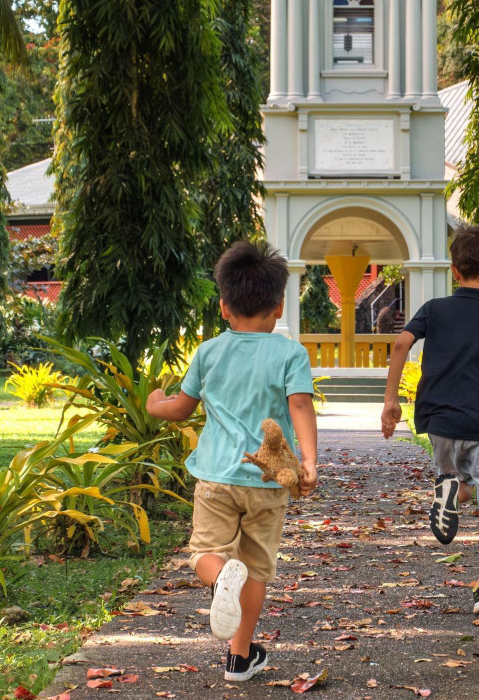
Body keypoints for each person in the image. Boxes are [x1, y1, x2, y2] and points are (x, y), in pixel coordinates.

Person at [147, 241, 318, 682]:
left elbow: (181, 408)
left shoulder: (208, 352)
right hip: (266, 480)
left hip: (216, 477)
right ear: (279, 306)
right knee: (257, 568)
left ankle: (221, 577)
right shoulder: (290, 354)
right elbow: (300, 406)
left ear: (224, 307)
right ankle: (239, 658)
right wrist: (309, 463)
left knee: (205, 553)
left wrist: (154, 404)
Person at [380, 225, 479, 615]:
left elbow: (401, 343)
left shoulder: (435, 309)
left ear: (454, 270)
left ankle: (449, 492)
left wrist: (391, 402)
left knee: (456, 477)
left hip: (440, 424)